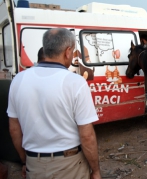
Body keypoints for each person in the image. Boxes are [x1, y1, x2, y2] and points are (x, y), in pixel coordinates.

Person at [7, 28, 101, 179]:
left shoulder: (18, 80)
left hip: (33, 164)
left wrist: (25, 161)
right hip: (69, 165)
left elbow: (14, 129)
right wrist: (95, 171)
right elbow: (87, 136)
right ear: (67, 52)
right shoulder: (75, 82)